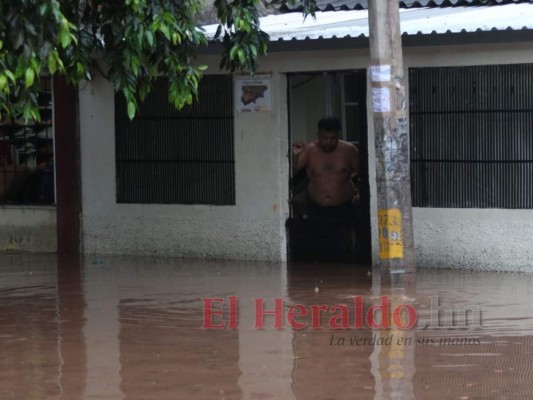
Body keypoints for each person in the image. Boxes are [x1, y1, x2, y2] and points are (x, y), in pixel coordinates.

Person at [292, 117, 359, 219]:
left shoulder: (349, 150)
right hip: (316, 209)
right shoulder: (310, 150)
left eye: (332, 138)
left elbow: (363, 173)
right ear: (318, 135)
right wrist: (296, 155)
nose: (328, 142)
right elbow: (294, 171)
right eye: (325, 138)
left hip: (344, 207)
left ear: (338, 136)